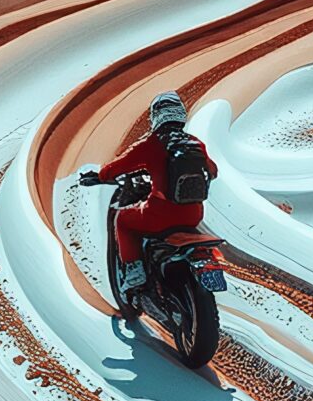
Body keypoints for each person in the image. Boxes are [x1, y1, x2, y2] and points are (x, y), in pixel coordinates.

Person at [78, 91, 217, 297]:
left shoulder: (152, 144)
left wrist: (100, 175)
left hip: (159, 217)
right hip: (193, 215)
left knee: (123, 220)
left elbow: (117, 167)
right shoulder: (195, 143)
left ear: (156, 116)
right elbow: (213, 171)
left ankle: (135, 271)